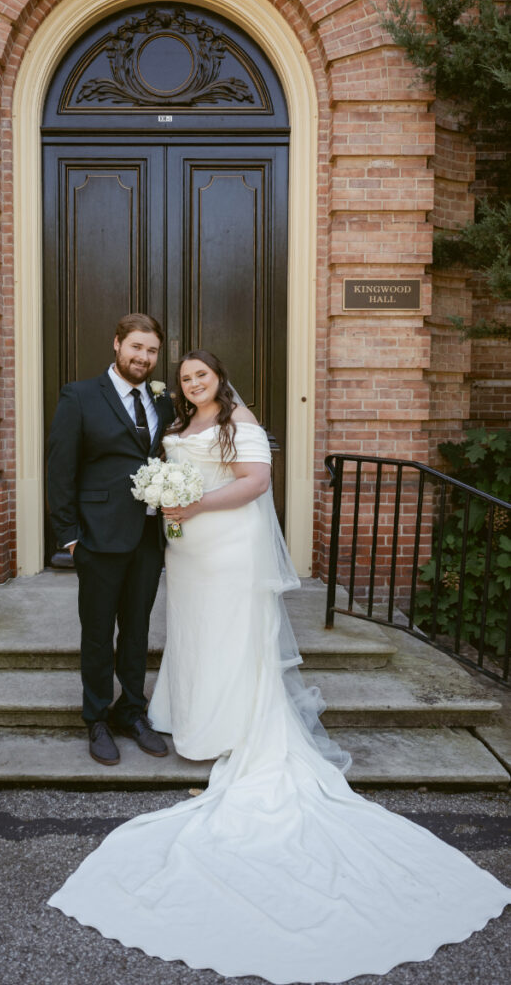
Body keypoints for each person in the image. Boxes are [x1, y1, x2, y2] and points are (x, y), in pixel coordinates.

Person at [48, 350, 510, 984]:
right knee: (193, 634)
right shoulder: (170, 422)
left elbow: (256, 484)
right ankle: (180, 713)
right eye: (183, 377)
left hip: (224, 541)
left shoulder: (241, 419)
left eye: (200, 374)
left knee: (234, 632)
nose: (191, 382)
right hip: (184, 552)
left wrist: (194, 504)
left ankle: (236, 723)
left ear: (220, 376)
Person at [47, 313, 175, 766]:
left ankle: (133, 711)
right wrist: (69, 538)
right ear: (117, 344)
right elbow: (60, 470)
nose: (143, 357)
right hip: (97, 537)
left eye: (152, 351)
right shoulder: (80, 395)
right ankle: (96, 716)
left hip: (146, 535)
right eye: (136, 347)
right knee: (99, 631)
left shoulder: (164, 402)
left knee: (138, 629)